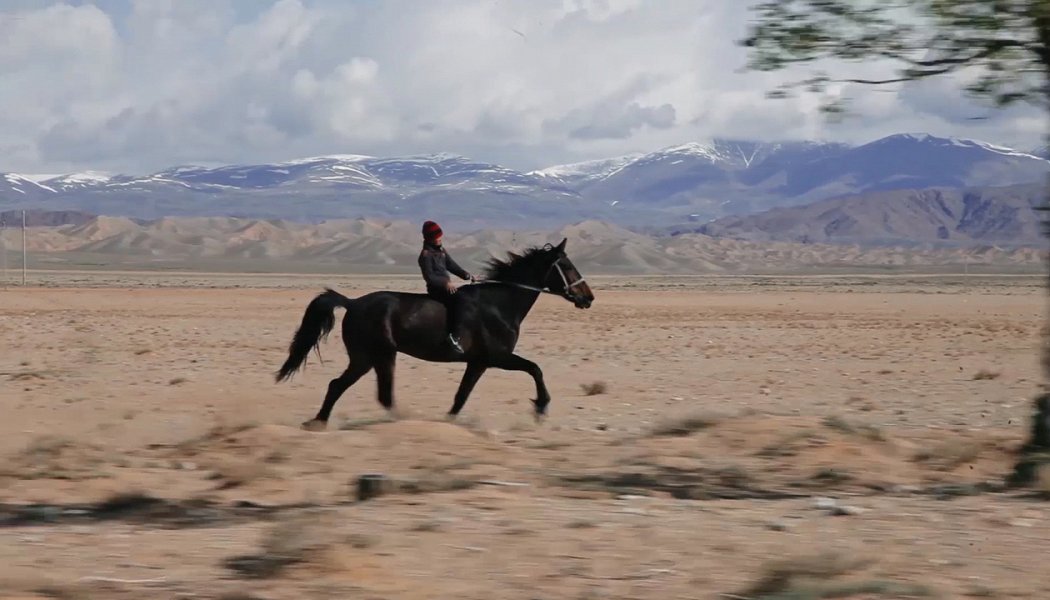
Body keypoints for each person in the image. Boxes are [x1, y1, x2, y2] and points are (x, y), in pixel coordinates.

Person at [418, 220, 475, 354]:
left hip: (445, 286)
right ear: (430, 239)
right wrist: (445, 283)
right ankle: (454, 336)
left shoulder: (441, 251)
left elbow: (451, 265)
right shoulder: (425, 255)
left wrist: (466, 275)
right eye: (437, 238)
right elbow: (429, 277)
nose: (439, 239)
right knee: (461, 300)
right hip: (436, 289)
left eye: (440, 237)